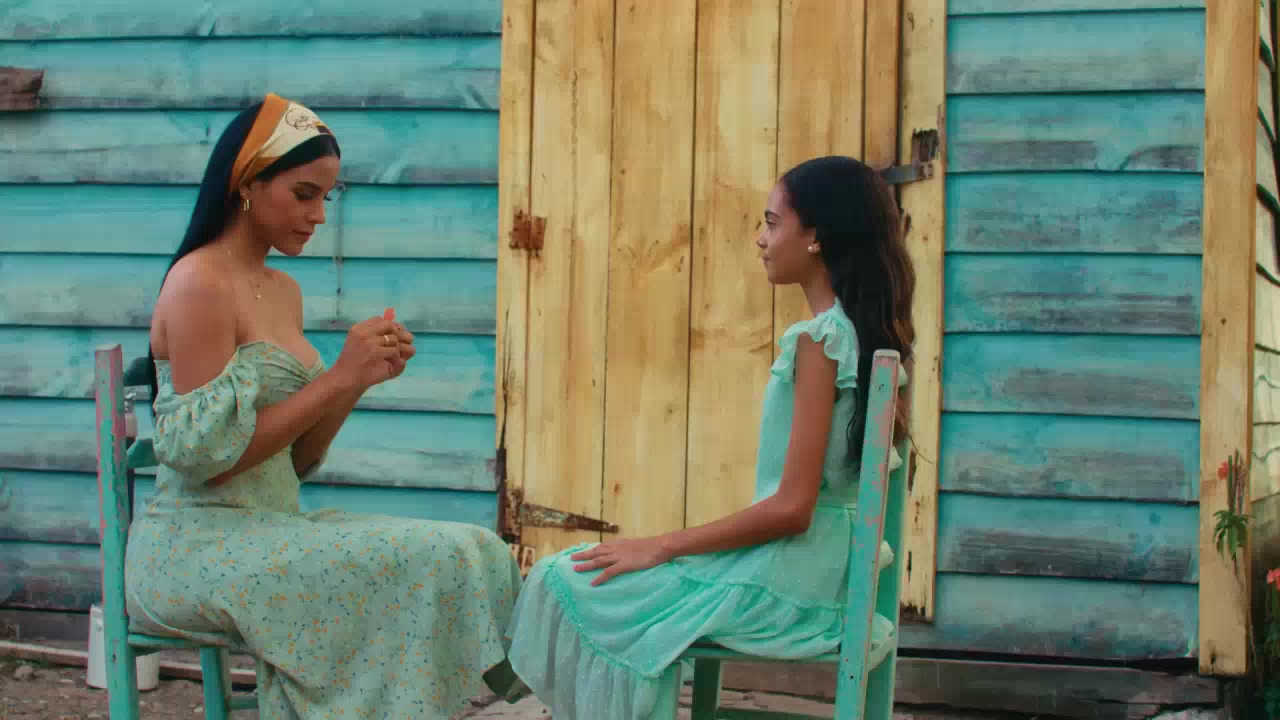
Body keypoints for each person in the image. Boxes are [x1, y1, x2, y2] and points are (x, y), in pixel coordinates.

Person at [124, 93, 524, 718]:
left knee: (475, 547)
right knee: (430, 557)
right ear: (247, 183)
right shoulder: (200, 282)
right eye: (304, 194)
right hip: (196, 547)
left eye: (326, 199)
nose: (317, 216)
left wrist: (358, 378)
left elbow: (296, 461)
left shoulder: (284, 291)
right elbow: (208, 464)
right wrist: (336, 377)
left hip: (274, 528)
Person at [504, 155, 916, 719]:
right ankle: (515, 680)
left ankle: (512, 682)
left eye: (772, 223)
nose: (760, 239)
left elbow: (793, 509)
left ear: (816, 237)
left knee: (568, 575)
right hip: (825, 575)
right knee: (596, 570)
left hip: (793, 587)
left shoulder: (821, 342)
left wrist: (661, 545)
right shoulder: (867, 334)